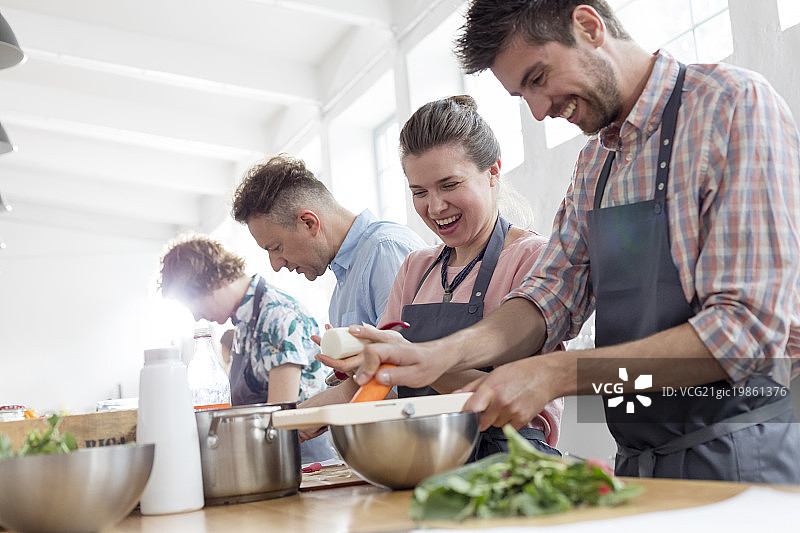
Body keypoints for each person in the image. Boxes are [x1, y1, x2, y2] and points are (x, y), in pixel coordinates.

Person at [348, 0, 800, 483]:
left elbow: (744, 334)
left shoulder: (730, 105)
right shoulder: (596, 166)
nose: (540, 112)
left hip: (745, 452)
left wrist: (557, 375)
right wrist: (440, 354)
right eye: (523, 96)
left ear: (588, 26)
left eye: (538, 78)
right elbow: (549, 298)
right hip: (643, 466)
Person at [309, 95, 563, 460]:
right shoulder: (415, 268)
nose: (435, 206)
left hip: (512, 462)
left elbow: (512, 396)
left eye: (450, 185)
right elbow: (382, 382)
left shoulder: (531, 258)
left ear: (493, 172)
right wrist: (295, 419)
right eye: (419, 192)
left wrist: (412, 362)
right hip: (424, 459)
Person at [158, 235, 336, 462]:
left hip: (300, 462)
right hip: (266, 458)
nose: (196, 316)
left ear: (214, 281)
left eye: (193, 304)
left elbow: (278, 418)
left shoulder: (276, 316)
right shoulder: (245, 321)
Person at [231, 155, 426, 331]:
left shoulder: (385, 250)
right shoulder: (343, 284)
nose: (275, 265)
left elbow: (408, 358)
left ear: (309, 223)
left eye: (276, 248)